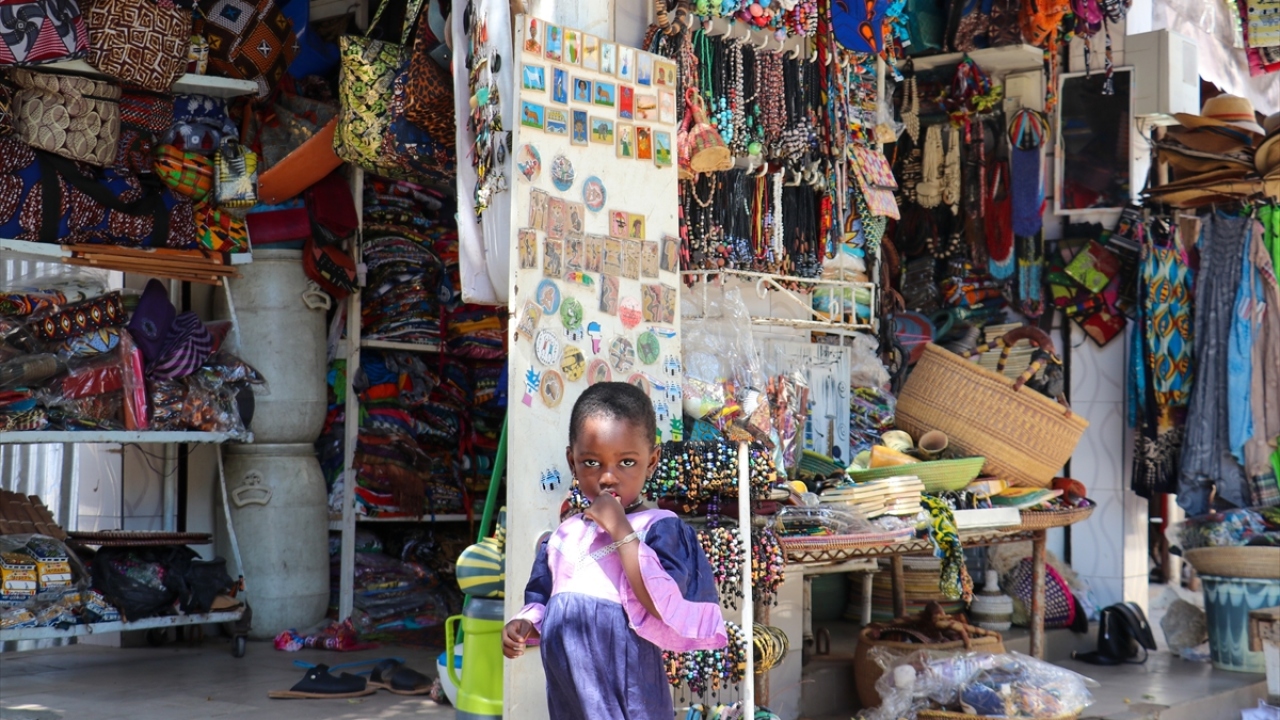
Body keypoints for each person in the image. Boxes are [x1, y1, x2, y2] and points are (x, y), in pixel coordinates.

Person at [503, 383, 727, 719]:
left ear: (651, 462)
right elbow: (544, 599)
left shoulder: (658, 528)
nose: (608, 477)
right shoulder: (564, 535)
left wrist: (621, 531)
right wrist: (524, 625)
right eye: (591, 462)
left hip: (628, 690)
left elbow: (659, 602)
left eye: (626, 462)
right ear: (572, 462)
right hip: (572, 690)